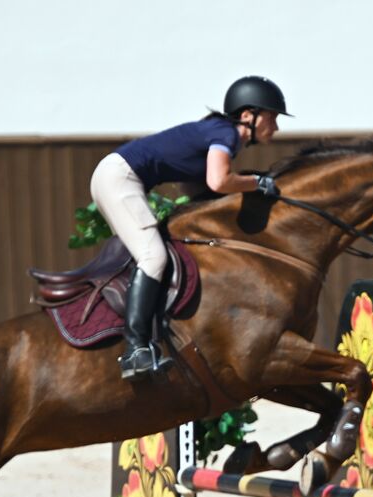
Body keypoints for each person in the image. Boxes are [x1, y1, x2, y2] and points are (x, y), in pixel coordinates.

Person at [89, 75, 290, 380]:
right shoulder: (226, 134)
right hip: (120, 178)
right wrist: (257, 183)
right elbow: (218, 181)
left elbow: (197, 188)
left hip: (118, 175)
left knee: (157, 251)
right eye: (271, 118)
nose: (275, 127)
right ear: (248, 116)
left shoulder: (216, 133)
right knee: (153, 257)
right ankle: (136, 350)